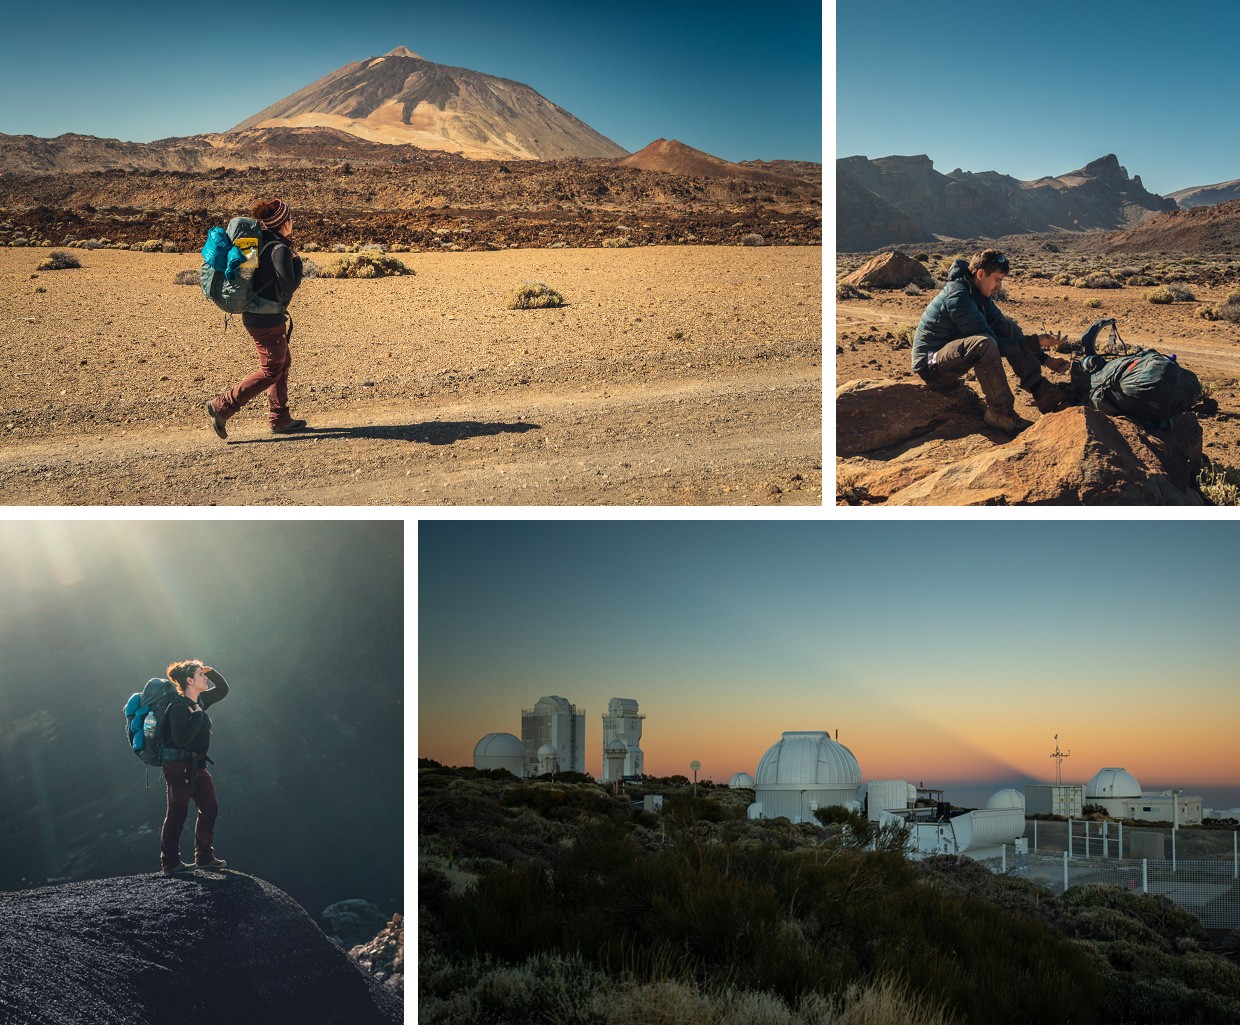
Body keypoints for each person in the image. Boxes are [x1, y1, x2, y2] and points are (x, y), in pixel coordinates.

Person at [912, 249, 1070, 434]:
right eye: (997, 280)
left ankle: (1042, 391)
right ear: (980, 274)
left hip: (951, 355)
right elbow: (995, 346)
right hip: (930, 361)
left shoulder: (977, 292)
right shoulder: (959, 297)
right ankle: (999, 412)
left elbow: (1004, 332)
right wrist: (1035, 342)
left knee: (1007, 326)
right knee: (984, 344)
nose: (999, 287)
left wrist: (1045, 359)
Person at [205, 198, 307, 438]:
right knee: (271, 369)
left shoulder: (262, 244)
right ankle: (222, 406)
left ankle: (280, 418)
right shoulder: (279, 249)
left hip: (258, 314)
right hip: (267, 319)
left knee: (282, 364)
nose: (292, 222)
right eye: (290, 218)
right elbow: (289, 283)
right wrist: (297, 261)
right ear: (284, 222)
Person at [159, 659, 230, 875]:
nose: (204, 678)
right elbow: (182, 739)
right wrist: (198, 715)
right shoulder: (179, 707)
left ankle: (205, 857)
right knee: (177, 813)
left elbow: (223, 690)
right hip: (178, 766)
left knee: (209, 807)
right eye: (200, 675)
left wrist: (212, 672)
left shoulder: (200, 700)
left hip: (196, 765)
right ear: (189, 680)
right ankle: (170, 863)